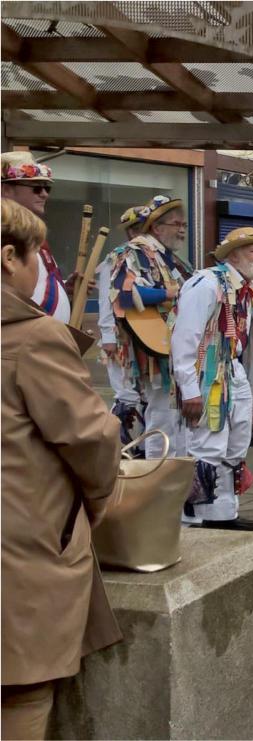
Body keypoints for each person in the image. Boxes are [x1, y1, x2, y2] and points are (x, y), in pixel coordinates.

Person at [1, 199, 123, 740]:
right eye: (37, 259)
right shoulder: (33, 339)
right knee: (23, 689)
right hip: (22, 542)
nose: (42, 272)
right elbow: (92, 438)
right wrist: (98, 502)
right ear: (9, 258)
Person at [172, 227, 253, 530]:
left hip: (231, 371)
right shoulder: (207, 284)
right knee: (208, 443)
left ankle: (222, 513)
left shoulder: (245, 289)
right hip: (207, 374)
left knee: (236, 444)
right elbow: (184, 338)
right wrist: (189, 389)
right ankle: (193, 517)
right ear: (233, 255)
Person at [109, 195, 197, 459]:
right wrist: (166, 295)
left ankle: (176, 473)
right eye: (175, 224)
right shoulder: (132, 252)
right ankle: (159, 473)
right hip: (155, 348)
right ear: (157, 228)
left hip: (175, 346)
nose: (182, 229)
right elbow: (123, 296)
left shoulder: (173, 260)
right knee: (163, 414)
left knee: (176, 415)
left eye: (184, 224)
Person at [99, 207, 150, 449]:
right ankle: (114, 445)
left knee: (146, 395)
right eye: (138, 228)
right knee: (126, 395)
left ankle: (139, 446)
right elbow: (105, 298)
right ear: (130, 231)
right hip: (121, 338)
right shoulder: (117, 258)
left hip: (145, 338)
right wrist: (108, 334)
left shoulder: (153, 259)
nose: (142, 232)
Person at [1, 152, 69, 322]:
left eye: (47, 188)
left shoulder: (33, 235)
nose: (44, 194)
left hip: (41, 341)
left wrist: (66, 290)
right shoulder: (5, 236)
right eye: (36, 188)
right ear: (6, 189)